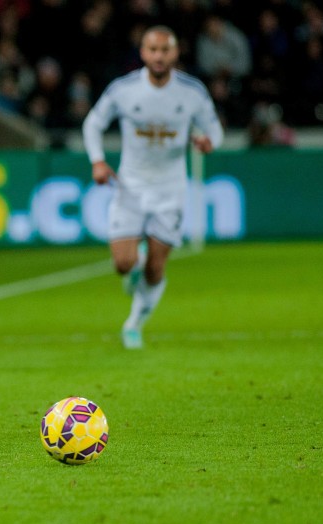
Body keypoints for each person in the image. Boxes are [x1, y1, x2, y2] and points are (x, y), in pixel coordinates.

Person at [82, 26, 223, 350]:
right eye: (153, 50)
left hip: (170, 190)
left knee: (156, 268)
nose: (159, 56)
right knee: (122, 265)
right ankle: (136, 267)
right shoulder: (124, 89)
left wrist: (208, 141)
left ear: (175, 53)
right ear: (143, 53)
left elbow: (214, 128)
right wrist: (98, 161)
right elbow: (93, 123)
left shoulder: (192, 91)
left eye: (165, 50)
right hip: (130, 187)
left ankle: (134, 324)